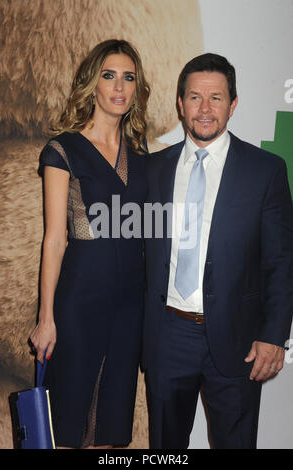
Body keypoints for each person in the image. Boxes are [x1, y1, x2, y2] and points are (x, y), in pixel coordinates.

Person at [143, 53, 293, 449]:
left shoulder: (266, 170)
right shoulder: (152, 170)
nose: (205, 109)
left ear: (233, 104)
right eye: (195, 97)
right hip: (167, 335)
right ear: (180, 103)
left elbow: (281, 261)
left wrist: (274, 335)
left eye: (216, 98)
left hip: (240, 340)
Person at [29, 39, 150, 449]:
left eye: (128, 77)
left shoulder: (141, 154)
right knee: (68, 421)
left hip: (129, 308)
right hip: (79, 304)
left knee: (110, 429)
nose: (119, 87)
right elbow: (55, 240)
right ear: (91, 84)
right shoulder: (64, 150)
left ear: (137, 88)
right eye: (109, 75)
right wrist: (46, 318)